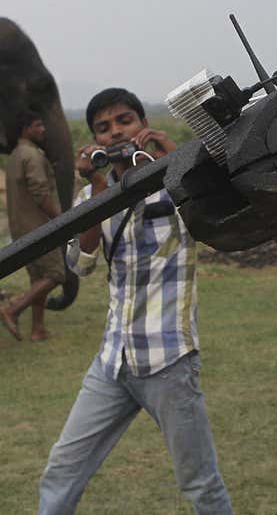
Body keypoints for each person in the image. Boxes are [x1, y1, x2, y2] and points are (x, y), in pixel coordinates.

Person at [37, 88, 232, 515]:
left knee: (200, 483)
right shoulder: (95, 196)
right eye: (102, 128)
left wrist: (178, 158)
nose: (115, 132)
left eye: (124, 121)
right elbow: (81, 264)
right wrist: (97, 184)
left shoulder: (176, 183)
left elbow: (217, 218)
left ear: (143, 125)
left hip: (168, 360)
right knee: (62, 468)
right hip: (112, 361)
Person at [0, 110, 66, 341]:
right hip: (38, 227)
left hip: (21, 228)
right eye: (38, 125)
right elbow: (40, 193)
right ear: (26, 128)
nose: (43, 130)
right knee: (57, 274)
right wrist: (60, 218)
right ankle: (13, 309)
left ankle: (38, 330)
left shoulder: (15, 155)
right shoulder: (32, 156)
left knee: (39, 278)